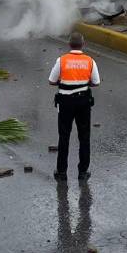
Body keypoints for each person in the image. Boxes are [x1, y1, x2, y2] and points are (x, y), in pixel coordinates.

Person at [48, 31, 100, 181]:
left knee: (64, 136)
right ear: (83, 45)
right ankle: (83, 172)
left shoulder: (62, 60)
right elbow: (96, 82)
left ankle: (62, 172)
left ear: (69, 45)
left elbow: (51, 80)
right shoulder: (90, 61)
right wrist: (83, 83)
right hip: (83, 102)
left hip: (65, 103)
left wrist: (64, 82)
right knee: (84, 137)